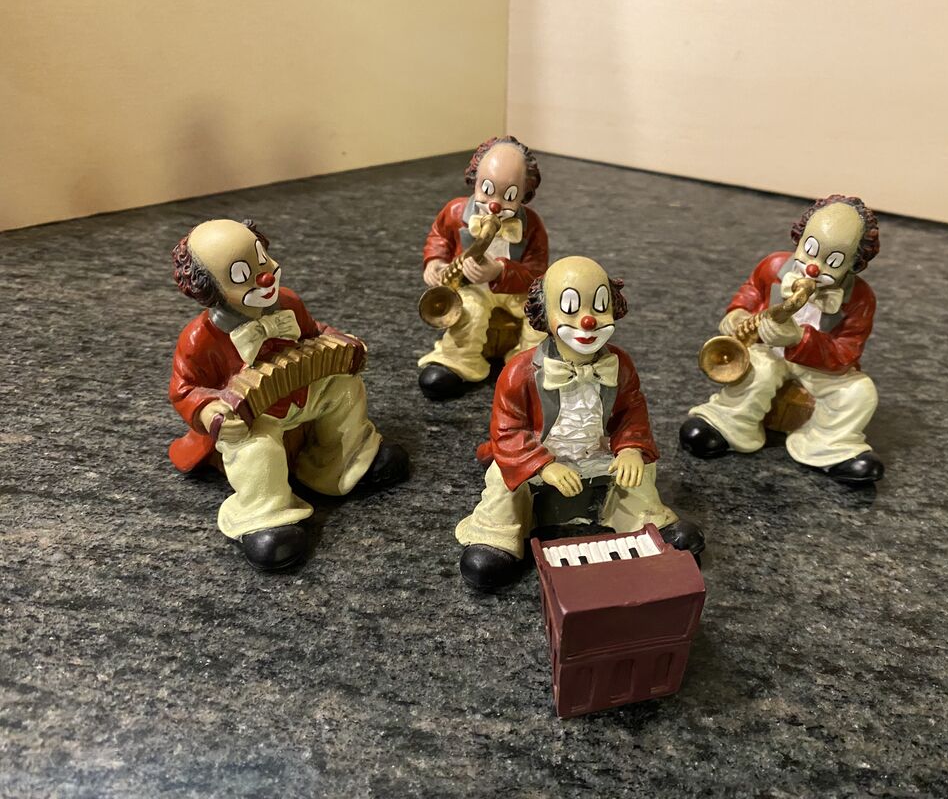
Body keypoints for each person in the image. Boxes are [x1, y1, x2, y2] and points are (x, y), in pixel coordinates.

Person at [168, 219, 409, 569]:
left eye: (261, 258)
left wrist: (340, 344)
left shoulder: (289, 303)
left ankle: (344, 460)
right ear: (211, 290)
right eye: (241, 275)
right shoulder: (198, 339)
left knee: (344, 388)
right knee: (256, 448)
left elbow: (313, 335)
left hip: (299, 395)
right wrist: (209, 411)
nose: (265, 277)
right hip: (254, 419)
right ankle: (265, 515)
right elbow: (184, 389)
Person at [456, 256, 704, 589]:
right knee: (503, 479)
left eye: (599, 306)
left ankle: (647, 520)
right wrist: (544, 466)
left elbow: (631, 411)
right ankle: (497, 538)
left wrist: (630, 448)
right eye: (570, 308)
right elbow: (507, 430)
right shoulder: (519, 372)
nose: (588, 321)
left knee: (641, 470)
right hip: (543, 458)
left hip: (597, 453)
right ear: (545, 313)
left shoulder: (620, 364)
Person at [681, 195, 884, 484]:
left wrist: (800, 339)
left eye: (834, 261)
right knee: (758, 370)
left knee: (859, 392)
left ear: (855, 263)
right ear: (800, 237)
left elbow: (846, 352)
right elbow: (751, 290)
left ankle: (830, 446)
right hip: (767, 350)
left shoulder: (861, 298)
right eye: (810, 249)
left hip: (818, 366)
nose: (813, 268)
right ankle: (729, 425)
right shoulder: (773, 265)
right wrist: (738, 313)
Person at [418, 136, 549, 399]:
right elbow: (439, 236)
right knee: (469, 311)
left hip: (515, 290)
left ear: (525, 193)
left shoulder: (532, 225)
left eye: (509, 195)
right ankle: (457, 362)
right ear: (475, 179)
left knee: (536, 314)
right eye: (487, 189)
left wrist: (500, 271)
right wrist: (435, 261)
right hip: (472, 287)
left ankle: (530, 366)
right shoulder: (455, 211)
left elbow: (537, 272)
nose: (495, 204)